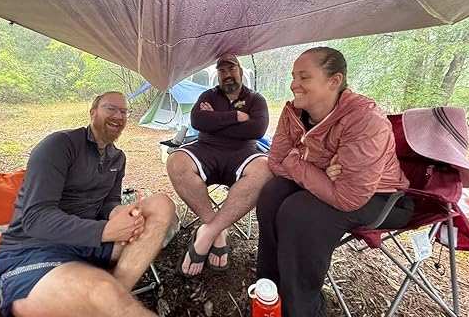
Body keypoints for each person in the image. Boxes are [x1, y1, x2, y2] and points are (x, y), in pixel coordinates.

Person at [256, 47, 414, 317]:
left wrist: (297, 162)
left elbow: (347, 197)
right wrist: (318, 169)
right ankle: (268, 291)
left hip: (382, 197)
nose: (294, 85)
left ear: (334, 80)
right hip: (332, 185)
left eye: (304, 77)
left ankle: (301, 309)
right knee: (272, 193)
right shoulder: (293, 113)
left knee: (300, 212)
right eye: (293, 76)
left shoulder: (364, 120)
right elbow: (276, 161)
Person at [0, 91, 175, 317]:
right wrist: (105, 230)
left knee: (161, 205)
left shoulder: (117, 158)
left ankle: (113, 295)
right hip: (35, 250)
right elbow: (35, 218)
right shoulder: (59, 145)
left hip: (89, 246)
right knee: (105, 294)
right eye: (110, 108)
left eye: (124, 111)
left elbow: (109, 201)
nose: (119, 116)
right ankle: (108, 300)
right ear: (92, 112)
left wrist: (118, 213)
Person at [167, 54, 273, 277]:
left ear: (240, 71)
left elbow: (257, 129)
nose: (227, 75)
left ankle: (208, 233)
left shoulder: (256, 99)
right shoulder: (208, 95)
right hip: (206, 148)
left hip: (243, 152)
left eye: (231, 69)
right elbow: (197, 121)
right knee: (176, 161)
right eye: (222, 71)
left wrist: (215, 119)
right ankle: (219, 231)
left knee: (265, 169)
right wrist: (236, 116)